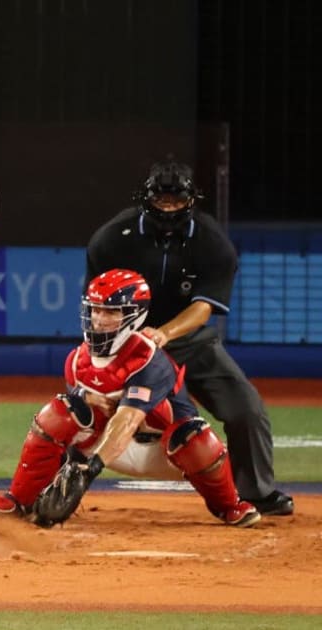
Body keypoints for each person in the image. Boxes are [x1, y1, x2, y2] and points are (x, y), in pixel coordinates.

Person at [84, 159, 293, 516]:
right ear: (145, 199)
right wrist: (104, 357)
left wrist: (163, 333)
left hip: (191, 341)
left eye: (176, 201)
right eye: (161, 200)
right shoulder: (113, 237)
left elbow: (202, 309)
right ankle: (56, 485)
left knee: (246, 409)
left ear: (191, 200)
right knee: (80, 408)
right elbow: (97, 305)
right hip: (128, 344)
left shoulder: (211, 241)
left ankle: (255, 493)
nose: (168, 208)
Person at [0, 269, 261, 527]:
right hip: (109, 447)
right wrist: (68, 473)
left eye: (111, 312)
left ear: (134, 315)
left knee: (196, 437)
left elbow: (127, 421)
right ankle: (19, 499)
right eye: (96, 310)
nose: (100, 319)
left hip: (164, 453)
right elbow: (75, 429)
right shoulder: (77, 360)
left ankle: (229, 505)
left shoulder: (150, 360)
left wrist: (89, 471)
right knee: (59, 412)